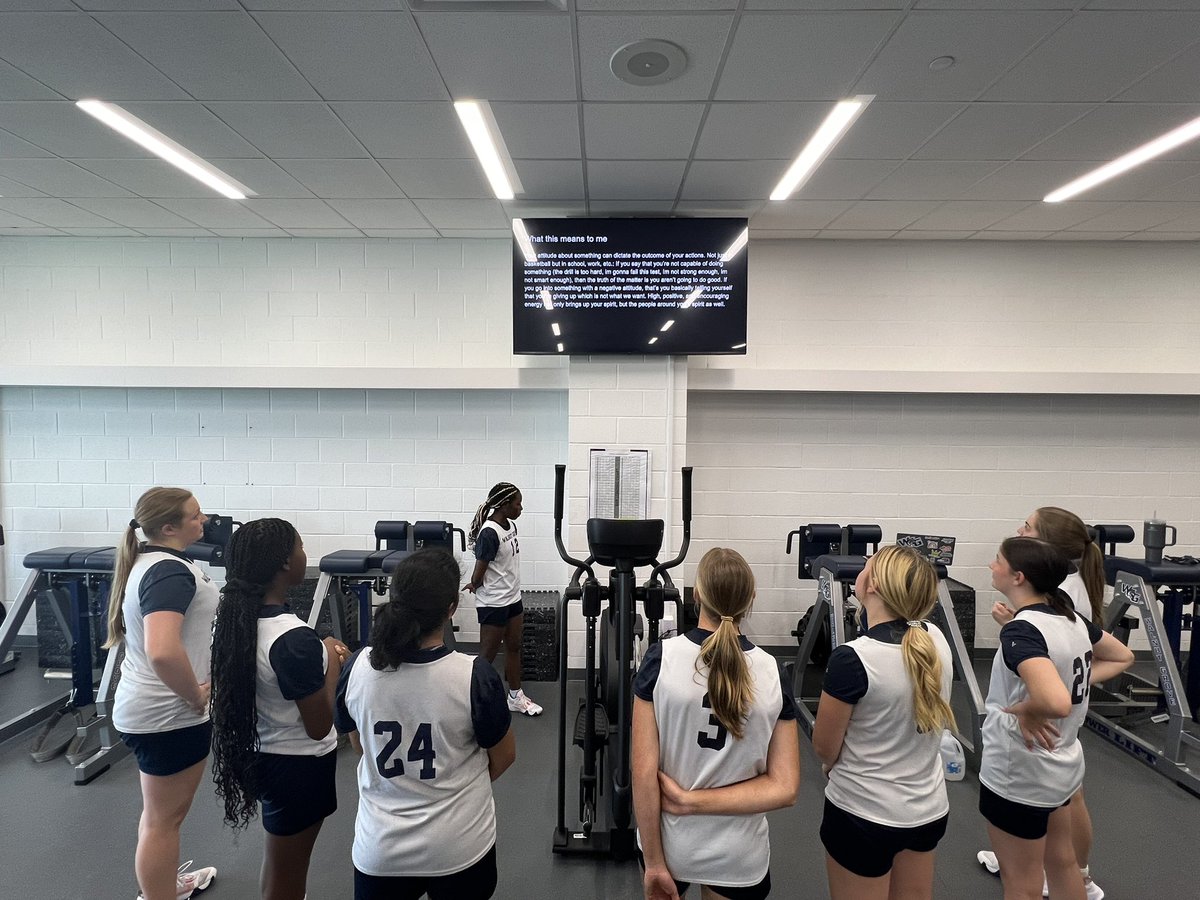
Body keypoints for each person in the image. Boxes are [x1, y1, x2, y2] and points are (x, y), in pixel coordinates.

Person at [335, 549, 516, 900]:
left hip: (382, 853)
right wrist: (453, 784)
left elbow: (360, 746)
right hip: (459, 848)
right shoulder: (473, 675)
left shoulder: (357, 668)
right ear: (451, 609)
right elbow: (504, 756)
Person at [632, 547, 800, 900]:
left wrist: (654, 863)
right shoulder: (772, 671)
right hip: (739, 856)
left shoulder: (661, 659)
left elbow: (643, 772)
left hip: (671, 845)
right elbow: (784, 787)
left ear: (696, 596)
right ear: (751, 599)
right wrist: (695, 801)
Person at [979, 538, 1133, 900]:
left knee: (1022, 883)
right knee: (1063, 865)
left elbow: (1056, 701)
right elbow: (1123, 656)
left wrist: (1034, 706)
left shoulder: (1023, 630)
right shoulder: (1070, 618)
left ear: (1018, 577)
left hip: (1020, 770)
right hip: (1061, 766)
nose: (991, 566)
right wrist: (1059, 690)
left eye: (997, 560)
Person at [209, 518, 350, 900]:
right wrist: (334, 664)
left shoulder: (235, 620)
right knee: (290, 873)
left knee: (279, 862)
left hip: (265, 754)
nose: (307, 554)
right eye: (302, 547)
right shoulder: (293, 639)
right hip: (300, 768)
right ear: (286, 563)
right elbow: (320, 725)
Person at [811, 545, 956, 900]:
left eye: (866, 566)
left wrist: (834, 764)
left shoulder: (853, 659)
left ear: (872, 584)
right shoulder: (935, 640)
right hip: (927, 811)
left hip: (864, 815)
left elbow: (824, 747)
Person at [106, 487, 219, 900]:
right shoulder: (169, 572)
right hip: (168, 715)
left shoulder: (153, 563)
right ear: (168, 527)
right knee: (163, 821)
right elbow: (162, 651)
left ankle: (162, 885)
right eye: (195, 515)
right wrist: (195, 696)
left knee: (158, 815)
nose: (204, 520)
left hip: (149, 710)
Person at [464, 482, 541, 716]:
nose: (521, 508)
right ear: (505, 505)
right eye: (517, 504)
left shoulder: (510, 525)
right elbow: (481, 566)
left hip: (512, 597)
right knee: (487, 656)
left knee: (514, 646)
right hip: (493, 602)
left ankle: (515, 696)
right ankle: (472, 701)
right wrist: (475, 583)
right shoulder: (489, 532)